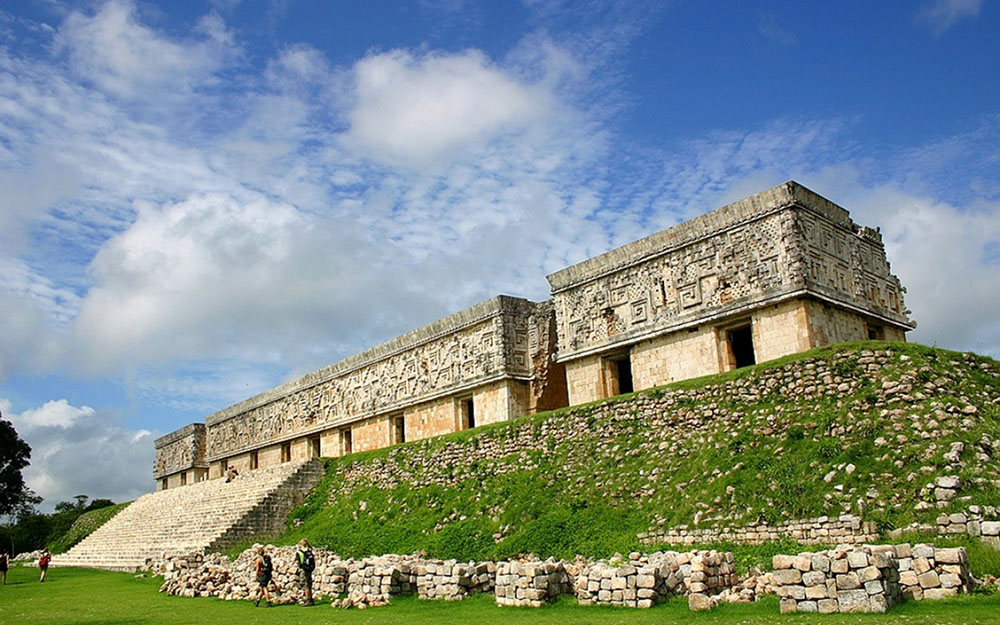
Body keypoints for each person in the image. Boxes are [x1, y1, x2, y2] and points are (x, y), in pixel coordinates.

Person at [295, 539, 315, 606]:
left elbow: (297, 561)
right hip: (309, 569)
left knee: (305, 584)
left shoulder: (299, 552)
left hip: (303, 569)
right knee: (309, 584)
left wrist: (299, 567)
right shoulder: (309, 552)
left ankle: (308, 600)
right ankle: (311, 599)